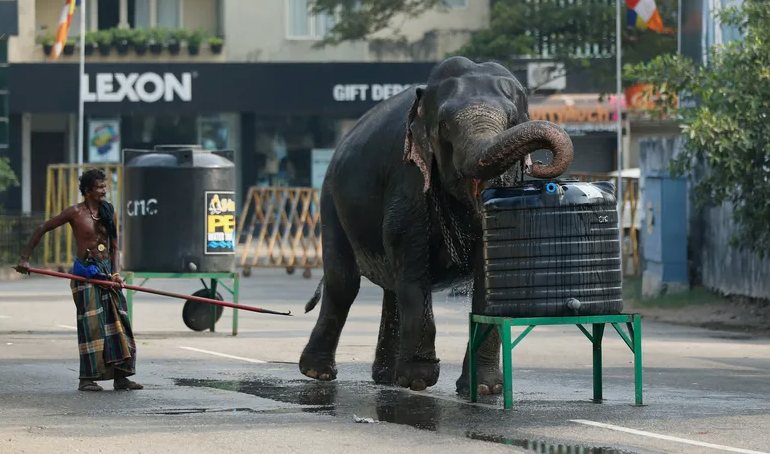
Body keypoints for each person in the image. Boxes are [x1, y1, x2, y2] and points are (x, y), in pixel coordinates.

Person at [16, 168, 143, 392]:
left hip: (107, 274)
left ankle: (121, 377)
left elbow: (114, 248)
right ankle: (87, 379)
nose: (104, 191)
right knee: (91, 326)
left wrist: (115, 273)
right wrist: (25, 259)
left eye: (105, 187)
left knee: (119, 323)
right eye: (100, 187)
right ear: (88, 190)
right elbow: (42, 228)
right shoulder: (74, 212)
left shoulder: (109, 211)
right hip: (84, 273)